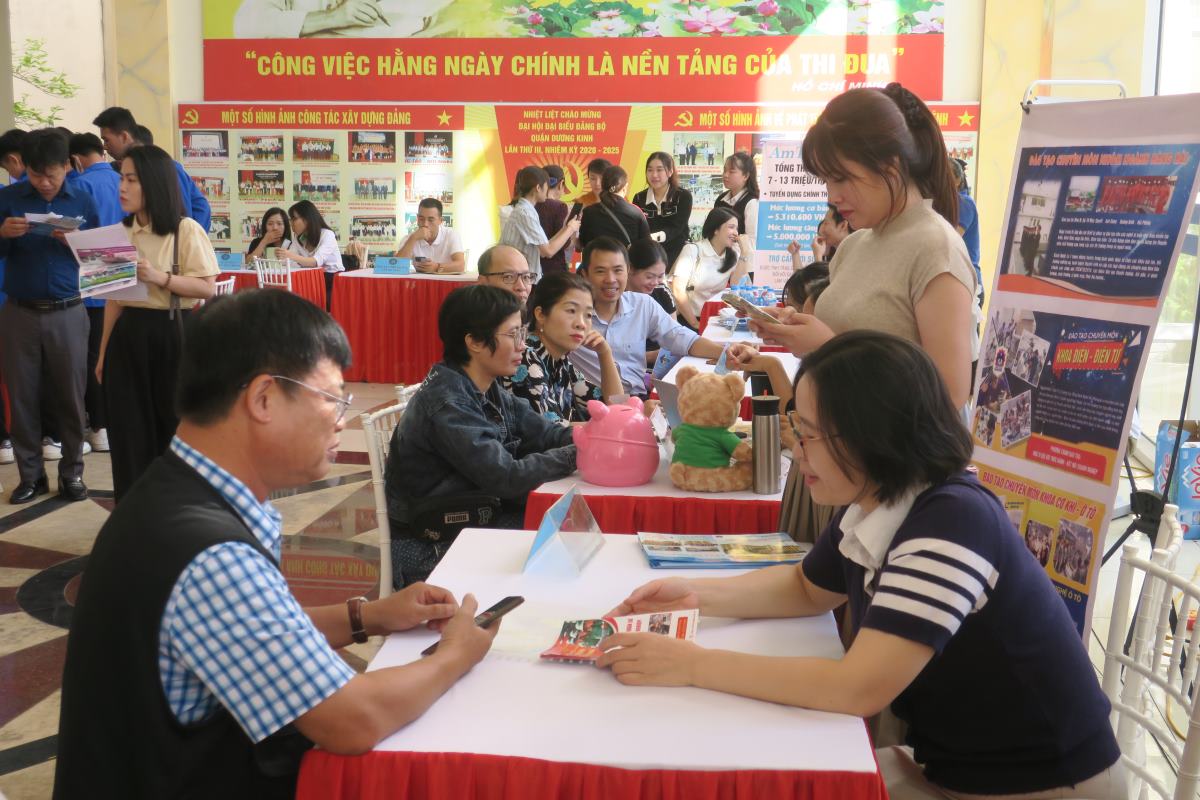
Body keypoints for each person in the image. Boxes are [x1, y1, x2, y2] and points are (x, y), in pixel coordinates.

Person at [599, 331, 1128, 800]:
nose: (794, 448)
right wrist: (694, 596)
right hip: (955, 767)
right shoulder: (879, 499)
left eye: (807, 433)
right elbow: (808, 589)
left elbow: (856, 689)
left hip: (1038, 785)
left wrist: (692, 665)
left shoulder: (952, 522)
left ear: (872, 435)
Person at [55, 288, 498, 796]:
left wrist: (369, 616)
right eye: (332, 397)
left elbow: (244, 632)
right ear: (263, 398)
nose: (341, 418)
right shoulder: (208, 554)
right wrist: (454, 655)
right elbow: (353, 719)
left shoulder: (170, 494)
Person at [749, 83, 978, 411]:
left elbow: (948, 395)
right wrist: (795, 327)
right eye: (826, 181)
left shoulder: (935, 248)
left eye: (841, 178)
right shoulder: (854, 245)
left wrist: (828, 346)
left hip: (892, 457)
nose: (832, 196)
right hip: (838, 446)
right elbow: (852, 336)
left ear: (890, 165)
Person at [385, 285, 576, 587]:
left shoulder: (487, 386)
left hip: (474, 521)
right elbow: (506, 477)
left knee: (565, 535)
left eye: (523, 334)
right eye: (512, 335)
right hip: (430, 549)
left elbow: (546, 434)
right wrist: (577, 453)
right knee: (562, 540)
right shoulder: (449, 404)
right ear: (473, 341)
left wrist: (582, 442)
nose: (523, 346)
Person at [94, 144, 219, 502]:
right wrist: (103, 354)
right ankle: (133, 516)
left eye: (131, 179)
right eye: (122, 178)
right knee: (128, 432)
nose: (122, 187)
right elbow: (113, 300)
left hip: (173, 331)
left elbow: (207, 288)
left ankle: (177, 514)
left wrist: (159, 277)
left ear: (153, 183)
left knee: (174, 429)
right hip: (127, 335)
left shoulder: (185, 230)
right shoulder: (117, 233)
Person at [0, 129, 98, 503]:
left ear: (67, 167)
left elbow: (106, 260)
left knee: (72, 397)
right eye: (36, 175)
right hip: (19, 312)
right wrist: (2, 234)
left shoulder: (84, 200)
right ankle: (31, 476)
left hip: (69, 311)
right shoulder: (8, 199)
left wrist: (76, 243)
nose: (43, 183)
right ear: (25, 168)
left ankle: (72, 473)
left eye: (51, 175)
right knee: (22, 396)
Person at [569, 237, 725, 398]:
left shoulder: (642, 305)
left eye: (618, 270)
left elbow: (683, 339)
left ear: (628, 270)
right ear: (585, 274)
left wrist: (727, 352)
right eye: (600, 271)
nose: (611, 279)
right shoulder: (570, 317)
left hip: (639, 398)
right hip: (590, 405)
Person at [502, 271, 623, 423]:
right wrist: (612, 425)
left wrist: (605, 353)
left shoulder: (559, 361)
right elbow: (553, 431)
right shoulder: (525, 358)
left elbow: (617, 406)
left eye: (588, 315)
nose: (581, 323)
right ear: (540, 315)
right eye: (571, 311)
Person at [67, 132, 122, 455]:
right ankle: (113, 420)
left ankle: (99, 424)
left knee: (93, 356)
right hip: (124, 275)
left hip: (93, 281)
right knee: (114, 353)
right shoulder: (120, 181)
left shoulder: (82, 186)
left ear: (74, 160)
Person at [93, 107, 211, 230]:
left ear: (124, 136)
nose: (105, 147)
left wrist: (187, 237)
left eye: (107, 140)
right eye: (122, 179)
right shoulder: (117, 167)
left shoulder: (164, 167)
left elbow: (183, 214)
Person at [671, 208, 750, 331]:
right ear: (716, 230)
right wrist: (695, 324)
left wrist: (744, 254)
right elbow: (677, 290)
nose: (736, 233)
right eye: (731, 227)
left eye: (736, 228)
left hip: (716, 320)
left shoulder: (734, 254)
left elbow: (737, 286)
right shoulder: (693, 250)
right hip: (688, 320)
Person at [500, 166, 579, 281]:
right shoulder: (525, 213)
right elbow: (548, 251)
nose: (548, 191)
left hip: (522, 276)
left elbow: (544, 247)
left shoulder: (528, 210)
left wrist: (567, 227)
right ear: (538, 188)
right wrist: (570, 228)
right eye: (547, 186)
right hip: (517, 278)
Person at [632, 152, 693, 269]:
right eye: (650, 170)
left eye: (659, 170)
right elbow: (636, 228)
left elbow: (677, 227)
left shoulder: (683, 196)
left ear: (670, 172)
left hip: (678, 255)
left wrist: (654, 237)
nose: (654, 175)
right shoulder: (639, 198)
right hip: (648, 255)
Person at [282, 199, 343, 310]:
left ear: (307, 219)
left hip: (331, 282)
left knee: (308, 305)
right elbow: (289, 263)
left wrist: (289, 255)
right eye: (290, 219)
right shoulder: (298, 238)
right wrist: (283, 257)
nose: (291, 223)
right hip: (310, 280)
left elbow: (315, 262)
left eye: (294, 219)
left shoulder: (327, 235)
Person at [627, 238, 676, 366]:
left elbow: (674, 338)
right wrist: (650, 356)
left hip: (659, 366)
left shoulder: (661, 292)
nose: (655, 282)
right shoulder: (615, 297)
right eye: (649, 276)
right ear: (630, 269)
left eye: (660, 276)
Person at [579, 165, 649, 250]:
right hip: (625, 262)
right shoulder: (636, 213)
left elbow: (583, 244)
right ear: (625, 187)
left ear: (602, 185)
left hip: (597, 262)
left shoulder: (588, 212)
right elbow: (646, 246)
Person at [394, 197, 465, 274]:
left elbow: (460, 266)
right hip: (419, 283)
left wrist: (436, 267)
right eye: (421, 219)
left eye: (431, 220)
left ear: (440, 221)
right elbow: (397, 266)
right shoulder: (409, 238)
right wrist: (413, 238)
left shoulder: (451, 235)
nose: (425, 224)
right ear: (417, 219)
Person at [713, 151, 759, 246]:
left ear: (745, 176)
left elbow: (752, 241)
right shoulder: (721, 199)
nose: (725, 175)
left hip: (740, 258)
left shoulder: (752, 203)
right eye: (725, 170)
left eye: (731, 171)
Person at [789, 203, 853, 269]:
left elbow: (821, 279)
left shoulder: (854, 256)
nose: (821, 239)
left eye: (826, 223)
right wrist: (795, 254)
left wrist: (818, 256)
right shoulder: (836, 259)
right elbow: (802, 279)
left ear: (843, 226)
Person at [535, 164, 572, 274]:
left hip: (532, 266)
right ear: (561, 184)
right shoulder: (560, 207)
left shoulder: (530, 206)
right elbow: (564, 243)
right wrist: (571, 230)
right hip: (554, 268)